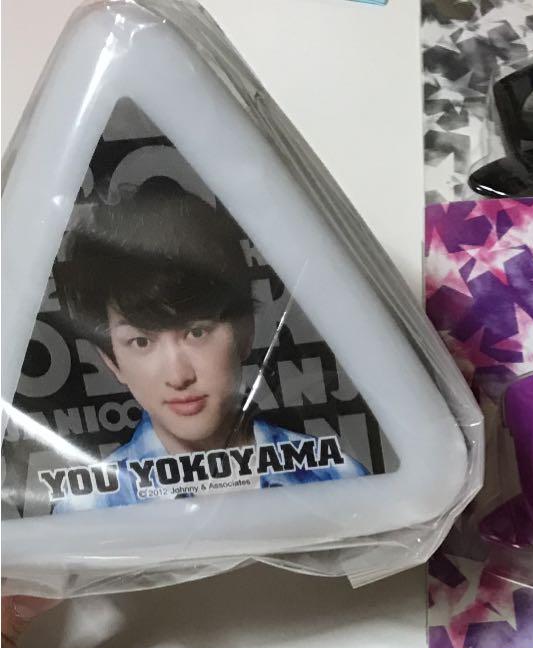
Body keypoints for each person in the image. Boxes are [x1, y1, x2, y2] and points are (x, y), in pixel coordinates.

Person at [53, 178, 366, 512]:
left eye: (197, 333)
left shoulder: (334, 478)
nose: (178, 376)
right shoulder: (88, 509)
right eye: (141, 341)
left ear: (245, 331)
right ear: (111, 360)